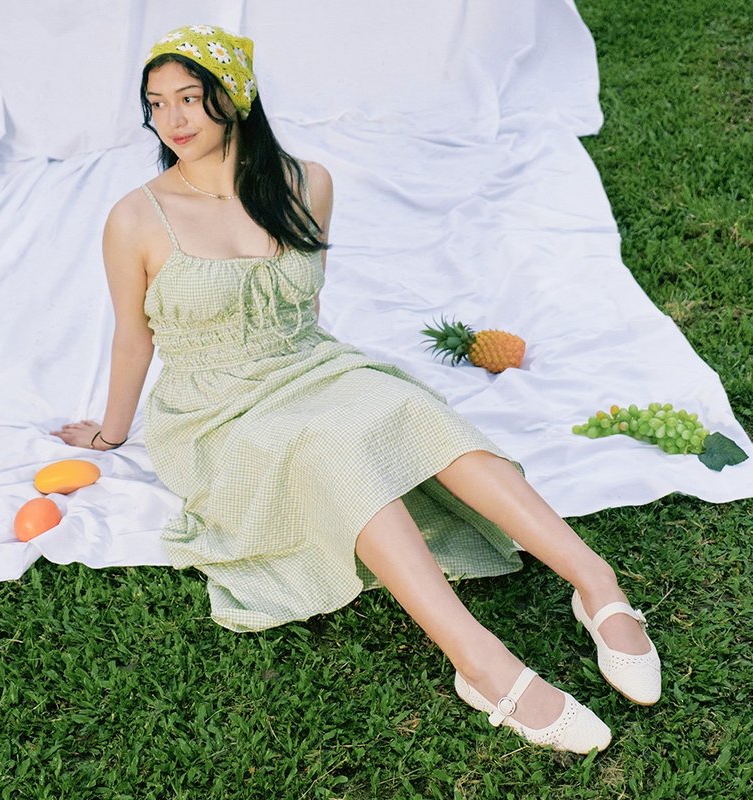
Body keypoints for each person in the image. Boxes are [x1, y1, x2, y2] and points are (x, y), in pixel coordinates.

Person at [52, 24, 661, 755]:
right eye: (157, 103)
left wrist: (327, 380)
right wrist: (113, 432)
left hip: (306, 363)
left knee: (411, 407)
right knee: (332, 448)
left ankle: (595, 583)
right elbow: (132, 336)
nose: (173, 120)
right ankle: (483, 664)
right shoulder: (135, 217)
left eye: (191, 98)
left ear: (235, 97)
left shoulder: (307, 183)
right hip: (213, 409)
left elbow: (303, 310)